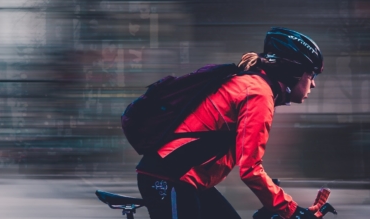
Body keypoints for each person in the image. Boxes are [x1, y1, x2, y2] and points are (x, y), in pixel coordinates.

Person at [136, 27, 324, 219]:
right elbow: (250, 169)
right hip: (169, 176)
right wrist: (291, 210)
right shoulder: (258, 93)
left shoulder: (253, 86)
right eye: (312, 75)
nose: (314, 84)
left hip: (189, 179)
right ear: (294, 72)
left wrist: (277, 203)